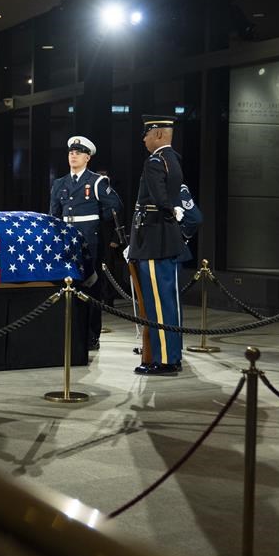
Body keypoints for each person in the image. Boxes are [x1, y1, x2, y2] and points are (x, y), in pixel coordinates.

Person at [49, 135, 122, 350]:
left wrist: (98, 226)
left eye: (78, 152)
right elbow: (54, 213)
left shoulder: (96, 182)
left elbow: (115, 206)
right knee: (68, 286)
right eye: (71, 152)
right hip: (66, 242)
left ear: (87, 157)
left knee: (91, 288)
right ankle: (70, 333)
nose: (73, 155)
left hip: (89, 243)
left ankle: (91, 336)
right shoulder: (59, 183)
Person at [125, 115, 186, 375]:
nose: (144, 138)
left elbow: (160, 199)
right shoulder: (173, 159)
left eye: (147, 134)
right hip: (167, 239)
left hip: (153, 240)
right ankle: (173, 353)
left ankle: (164, 360)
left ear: (158, 135)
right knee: (170, 303)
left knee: (157, 304)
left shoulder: (154, 162)